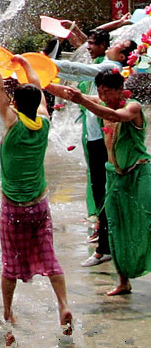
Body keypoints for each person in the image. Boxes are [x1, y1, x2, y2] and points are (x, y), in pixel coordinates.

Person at [0, 51, 71, 344]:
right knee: (50, 256)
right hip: (39, 205)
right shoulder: (44, 122)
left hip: (14, 209)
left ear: (16, 104)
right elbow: (41, 90)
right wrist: (25, 65)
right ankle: (64, 304)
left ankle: (8, 312)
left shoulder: (12, 123)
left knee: (10, 263)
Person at [51, 69, 151, 296]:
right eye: (100, 92)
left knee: (147, 220)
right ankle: (123, 281)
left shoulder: (132, 106)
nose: (103, 96)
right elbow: (67, 93)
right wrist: (37, 78)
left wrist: (83, 100)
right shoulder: (101, 103)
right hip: (115, 176)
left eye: (108, 92)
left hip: (139, 173)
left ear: (119, 89)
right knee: (116, 228)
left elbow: (118, 116)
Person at [53, 31, 135, 267]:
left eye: (117, 44)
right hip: (95, 139)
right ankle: (105, 241)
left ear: (121, 55)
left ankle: (105, 247)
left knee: (104, 191)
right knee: (101, 190)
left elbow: (76, 70)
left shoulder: (110, 70)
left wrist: (46, 64)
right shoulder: (106, 71)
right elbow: (73, 75)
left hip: (102, 142)